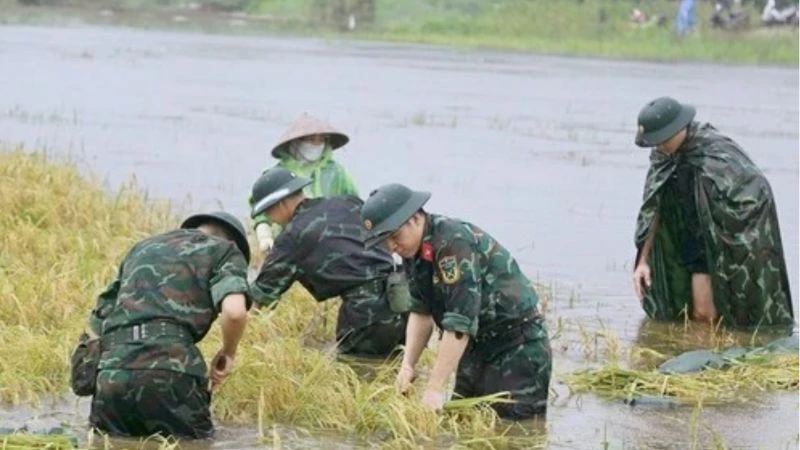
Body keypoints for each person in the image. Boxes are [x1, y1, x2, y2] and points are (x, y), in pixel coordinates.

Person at [359, 184, 552, 419]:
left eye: (393, 237)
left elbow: (460, 323)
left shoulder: (453, 243)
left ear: (415, 219)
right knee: (463, 421)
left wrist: (434, 388)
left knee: (515, 430)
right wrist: (407, 365)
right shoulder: (413, 253)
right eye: (382, 241)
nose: (391, 248)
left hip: (516, 346)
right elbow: (421, 312)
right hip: (476, 348)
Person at [85, 211, 252, 439]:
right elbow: (234, 313)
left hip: (112, 375)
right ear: (234, 242)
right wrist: (228, 353)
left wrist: (90, 377)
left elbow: (96, 325)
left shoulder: (141, 248)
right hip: (172, 372)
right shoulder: (225, 250)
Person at [632, 96, 794, 329]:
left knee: (714, 315)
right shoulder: (663, 157)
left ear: (677, 130)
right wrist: (643, 260)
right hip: (688, 242)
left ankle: (719, 358)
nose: (658, 147)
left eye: (661, 141)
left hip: (724, 244)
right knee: (696, 315)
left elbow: (756, 190)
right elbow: (652, 207)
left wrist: (726, 225)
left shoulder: (716, 151)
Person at [249, 167, 406, 357]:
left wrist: (242, 331)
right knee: (400, 369)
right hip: (403, 296)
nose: (271, 221)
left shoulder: (292, 236)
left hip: (366, 311)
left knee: (358, 375)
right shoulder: (348, 203)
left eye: (268, 213)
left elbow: (261, 294)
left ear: (280, 204)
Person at [250, 113, 359, 254]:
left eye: (320, 140)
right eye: (311, 140)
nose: (316, 144)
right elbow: (261, 212)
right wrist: (264, 236)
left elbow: (354, 205)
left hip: (330, 243)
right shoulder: (275, 174)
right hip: (287, 241)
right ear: (295, 142)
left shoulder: (337, 173)